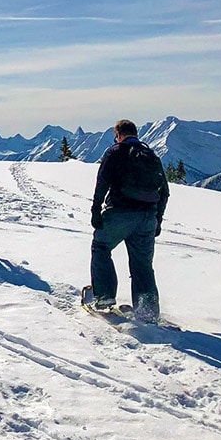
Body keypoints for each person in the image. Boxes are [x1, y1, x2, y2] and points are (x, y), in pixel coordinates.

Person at [89, 119, 170, 321]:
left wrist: (96, 211)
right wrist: (157, 220)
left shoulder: (115, 152)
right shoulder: (151, 155)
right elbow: (165, 192)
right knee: (142, 264)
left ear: (118, 135)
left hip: (120, 213)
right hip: (147, 218)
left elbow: (102, 183)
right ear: (136, 133)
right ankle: (148, 311)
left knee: (101, 247)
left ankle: (105, 297)